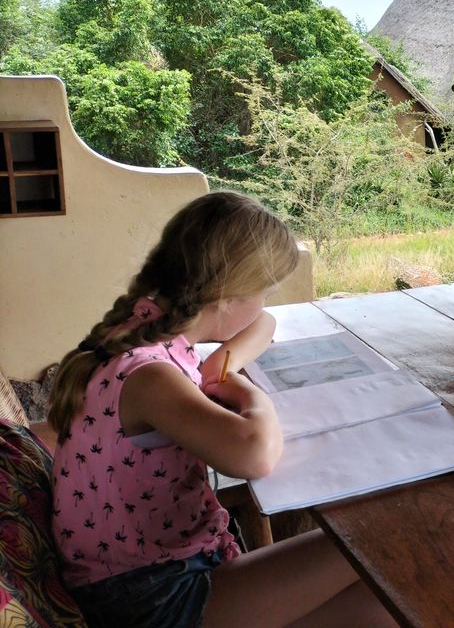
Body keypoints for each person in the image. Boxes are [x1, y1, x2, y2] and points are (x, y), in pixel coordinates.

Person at [47, 191, 397, 628]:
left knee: (383, 602)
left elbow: (262, 324)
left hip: (158, 572)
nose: (265, 305)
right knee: (379, 542)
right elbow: (254, 455)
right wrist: (252, 396)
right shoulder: (150, 377)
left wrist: (221, 366)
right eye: (263, 292)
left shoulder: (143, 327)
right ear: (228, 297)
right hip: (151, 597)